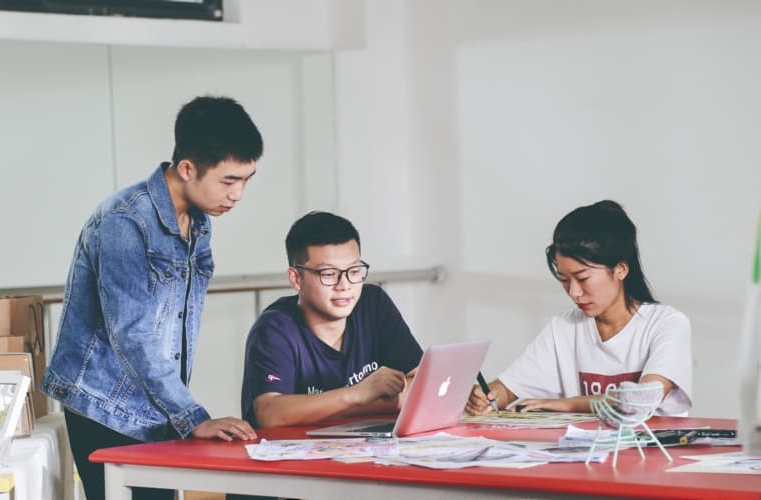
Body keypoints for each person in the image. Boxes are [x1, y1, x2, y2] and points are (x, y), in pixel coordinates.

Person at [41, 96, 263, 500]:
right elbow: (133, 334)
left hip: (155, 403)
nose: (238, 194)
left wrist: (176, 411)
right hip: (105, 404)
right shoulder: (125, 222)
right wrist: (191, 416)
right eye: (229, 181)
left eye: (247, 180)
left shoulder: (198, 222)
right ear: (187, 168)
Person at [466, 200, 692, 416]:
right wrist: (486, 397)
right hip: (589, 453)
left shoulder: (667, 323)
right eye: (564, 279)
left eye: (582, 278)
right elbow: (507, 389)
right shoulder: (564, 328)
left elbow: (643, 398)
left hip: (654, 452)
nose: (574, 292)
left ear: (621, 269)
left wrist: (565, 404)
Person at [241, 211, 424, 428]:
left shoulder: (372, 303)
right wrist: (356, 394)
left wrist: (336, 409)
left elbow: (421, 384)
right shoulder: (275, 329)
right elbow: (270, 414)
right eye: (328, 274)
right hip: (300, 457)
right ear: (296, 279)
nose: (345, 285)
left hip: (369, 449)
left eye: (354, 271)